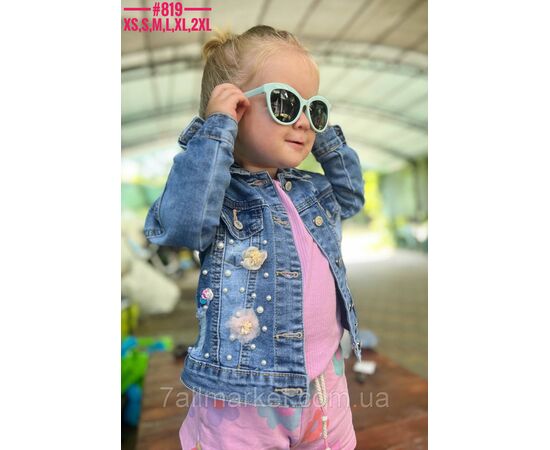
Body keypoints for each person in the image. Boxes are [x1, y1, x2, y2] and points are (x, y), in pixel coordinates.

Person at [144, 25, 365, 450]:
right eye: (285, 103)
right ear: (235, 108)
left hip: (325, 381)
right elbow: (181, 224)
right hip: (242, 395)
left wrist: (325, 138)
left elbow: (351, 197)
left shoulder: (311, 188)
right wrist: (215, 131)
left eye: (314, 108)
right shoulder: (218, 193)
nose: (304, 121)